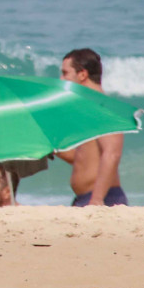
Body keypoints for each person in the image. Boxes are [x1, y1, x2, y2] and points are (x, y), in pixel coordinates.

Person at [57, 48, 127, 207]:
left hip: (103, 199)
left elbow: (112, 154)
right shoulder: (89, 110)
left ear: (82, 74)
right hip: (85, 198)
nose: (61, 79)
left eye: (65, 73)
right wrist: (53, 148)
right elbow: (83, 158)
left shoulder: (104, 107)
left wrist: (96, 200)